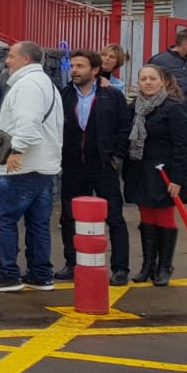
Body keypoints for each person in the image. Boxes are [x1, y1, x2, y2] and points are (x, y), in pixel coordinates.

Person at [0, 41, 64, 293]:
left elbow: (29, 126)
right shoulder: (46, 83)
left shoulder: (28, 85)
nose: (7, 61)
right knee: (38, 223)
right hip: (43, 166)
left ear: (25, 59)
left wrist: (16, 151)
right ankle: (41, 275)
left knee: (5, 220)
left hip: (22, 168)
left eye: (11, 56)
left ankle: (8, 275)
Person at [55, 49, 131, 285]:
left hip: (103, 165)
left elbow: (124, 127)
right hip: (73, 165)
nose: (74, 71)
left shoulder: (112, 95)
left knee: (114, 217)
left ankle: (120, 268)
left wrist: (116, 156)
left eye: (80, 66)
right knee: (69, 217)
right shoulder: (64, 94)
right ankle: (72, 263)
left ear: (95, 70)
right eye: (72, 66)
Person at [124, 64, 187, 287]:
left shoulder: (173, 108)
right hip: (140, 171)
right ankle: (148, 265)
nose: (148, 83)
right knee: (146, 216)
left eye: (152, 79)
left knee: (164, 217)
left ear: (163, 81)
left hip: (165, 172)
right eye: (143, 79)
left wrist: (177, 179)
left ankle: (165, 266)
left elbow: (181, 147)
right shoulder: (134, 108)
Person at [148, 29, 187, 142]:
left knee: (186, 144)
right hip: (169, 110)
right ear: (185, 44)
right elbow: (149, 82)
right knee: (169, 142)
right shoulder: (159, 60)